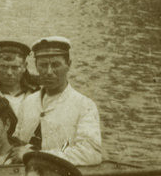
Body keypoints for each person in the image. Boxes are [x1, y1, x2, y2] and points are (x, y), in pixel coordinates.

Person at [15, 37, 102, 165]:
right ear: (36, 66)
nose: (49, 72)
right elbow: (18, 144)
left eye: (56, 65)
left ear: (68, 65)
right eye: (43, 65)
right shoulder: (28, 102)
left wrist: (36, 156)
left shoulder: (84, 105)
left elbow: (90, 154)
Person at [0, 39, 39, 114]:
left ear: (24, 67)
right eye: (4, 67)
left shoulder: (37, 95)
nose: (9, 72)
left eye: (15, 67)